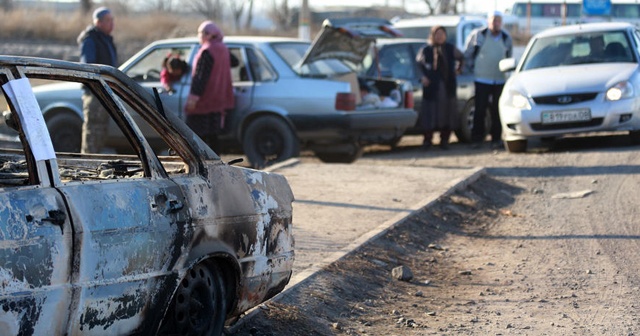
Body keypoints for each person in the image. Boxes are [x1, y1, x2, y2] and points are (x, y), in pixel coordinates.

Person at [464, 10, 513, 150]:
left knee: (498, 110)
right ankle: (477, 139)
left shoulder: (506, 37)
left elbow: (509, 56)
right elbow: (468, 54)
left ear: (501, 22)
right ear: (488, 21)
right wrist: (471, 70)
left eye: (498, 20)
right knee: (479, 109)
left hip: (499, 79)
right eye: (493, 20)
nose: (495, 23)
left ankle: (496, 139)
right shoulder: (479, 35)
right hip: (481, 78)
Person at [184, 21, 235, 153]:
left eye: (200, 33)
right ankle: (215, 167)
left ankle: (200, 168)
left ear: (208, 35)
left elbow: (200, 77)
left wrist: (193, 100)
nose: (198, 36)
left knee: (197, 138)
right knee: (213, 137)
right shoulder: (223, 48)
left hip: (205, 102)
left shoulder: (207, 51)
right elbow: (235, 62)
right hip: (219, 101)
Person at [416, 25, 464, 150]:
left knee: (447, 113)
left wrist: (458, 69)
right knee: (430, 114)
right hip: (431, 88)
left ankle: (444, 140)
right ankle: (427, 140)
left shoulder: (450, 48)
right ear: (432, 36)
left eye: (442, 34)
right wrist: (423, 77)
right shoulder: (426, 50)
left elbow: (461, 58)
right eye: (437, 34)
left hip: (447, 87)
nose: (440, 36)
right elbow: (418, 65)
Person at [77, 7, 117, 154]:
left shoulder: (106, 39)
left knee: (101, 131)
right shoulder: (90, 39)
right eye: (108, 20)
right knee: (92, 131)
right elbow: (89, 66)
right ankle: (88, 162)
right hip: (94, 93)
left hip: (105, 91)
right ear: (98, 22)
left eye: (112, 20)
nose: (112, 23)